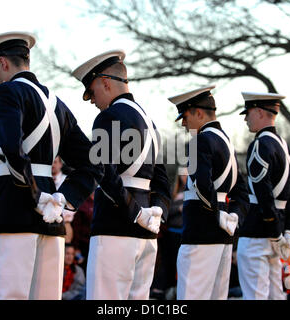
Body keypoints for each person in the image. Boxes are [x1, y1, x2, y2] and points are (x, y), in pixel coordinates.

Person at [0, 32, 104, 300]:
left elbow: (10, 148)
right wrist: (62, 199)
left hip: (14, 207)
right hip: (52, 216)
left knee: (8, 295)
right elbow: (93, 163)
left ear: (3, 63)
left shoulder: (8, 92)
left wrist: (34, 196)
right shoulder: (59, 106)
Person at [72, 49, 171, 299]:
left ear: (105, 82)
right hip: (148, 231)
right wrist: (156, 212)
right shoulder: (151, 123)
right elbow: (162, 181)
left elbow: (103, 172)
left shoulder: (109, 117)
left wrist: (133, 211)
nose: (92, 101)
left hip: (115, 225)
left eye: (92, 92)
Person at [168, 85, 249, 300]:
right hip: (223, 233)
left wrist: (216, 214)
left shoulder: (199, 141)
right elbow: (242, 189)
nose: (184, 123)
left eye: (185, 116)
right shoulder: (226, 142)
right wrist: (235, 216)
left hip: (201, 231)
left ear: (199, 112)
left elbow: (202, 186)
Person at [236, 92, 290, 300]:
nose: (246, 118)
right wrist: (289, 231)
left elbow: (263, 193)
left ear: (259, 112)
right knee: (275, 295)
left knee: (255, 296)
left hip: (259, 229)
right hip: (278, 232)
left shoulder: (260, 145)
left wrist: (274, 230)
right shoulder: (284, 145)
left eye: (248, 113)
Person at [150, 167, 187, 300]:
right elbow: (167, 210)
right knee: (169, 262)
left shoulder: (193, 191)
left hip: (185, 233)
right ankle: (163, 290)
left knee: (183, 263)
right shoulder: (174, 191)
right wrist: (179, 208)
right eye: (182, 174)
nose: (185, 176)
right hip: (172, 233)